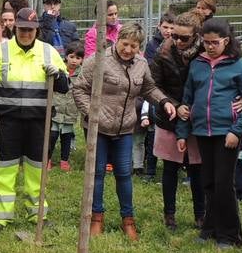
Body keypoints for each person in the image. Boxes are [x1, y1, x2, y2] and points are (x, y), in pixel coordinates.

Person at [74, 22, 175, 240]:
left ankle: (128, 220)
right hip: (98, 128)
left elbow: (148, 88)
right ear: (118, 40)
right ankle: (96, 218)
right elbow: (80, 88)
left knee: (124, 174)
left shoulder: (141, 63)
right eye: (125, 43)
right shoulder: (98, 60)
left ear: (140, 47)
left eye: (134, 46)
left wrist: (164, 101)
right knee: (97, 174)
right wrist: (91, 114)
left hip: (125, 128)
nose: (128, 50)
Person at [0, 7, 69, 231]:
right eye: (22, 29)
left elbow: (64, 86)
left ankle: (38, 215)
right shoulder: (0, 53)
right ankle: (0, 219)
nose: (26, 34)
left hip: (39, 122)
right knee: (3, 170)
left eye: (30, 30)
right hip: (7, 124)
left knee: (37, 171)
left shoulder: (49, 52)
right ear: (15, 27)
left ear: (37, 29)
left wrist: (57, 75)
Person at [176, 18, 242, 248]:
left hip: (227, 133)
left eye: (215, 42)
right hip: (203, 130)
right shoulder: (197, 65)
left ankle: (231, 235)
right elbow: (187, 100)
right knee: (209, 182)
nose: (210, 47)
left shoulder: (240, 65)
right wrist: (183, 133)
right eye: (206, 42)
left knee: (224, 183)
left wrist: (236, 131)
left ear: (226, 41)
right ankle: (210, 228)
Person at [151, 13, 205, 230]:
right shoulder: (162, 52)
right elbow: (154, 85)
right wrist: (171, 103)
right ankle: (169, 214)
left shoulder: (205, 53)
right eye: (174, 36)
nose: (178, 42)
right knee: (170, 168)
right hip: (170, 116)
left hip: (197, 117)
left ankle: (201, 214)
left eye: (184, 38)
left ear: (196, 36)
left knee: (197, 169)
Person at [49, 42, 83, 171]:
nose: (74, 61)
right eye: (72, 57)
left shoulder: (82, 74)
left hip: (70, 111)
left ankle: (64, 160)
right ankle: (48, 159)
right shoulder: (59, 70)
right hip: (56, 109)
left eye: (78, 58)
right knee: (52, 136)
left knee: (67, 137)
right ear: (66, 56)